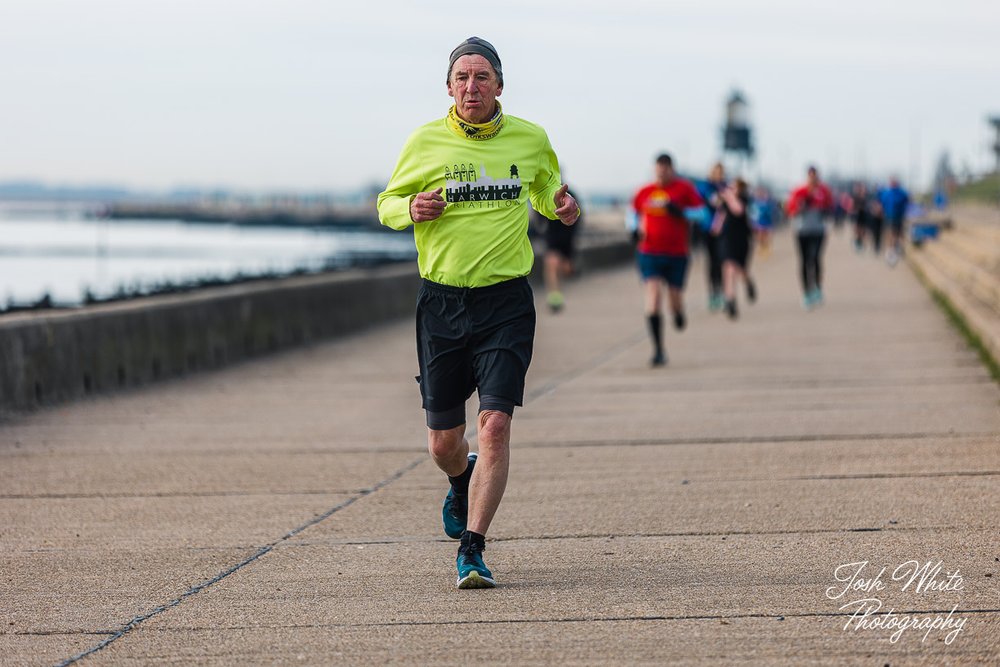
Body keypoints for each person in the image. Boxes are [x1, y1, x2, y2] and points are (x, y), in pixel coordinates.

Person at [376, 36, 579, 589]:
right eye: (462, 77)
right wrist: (409, 208)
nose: (471, 86)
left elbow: (543, 191)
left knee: (494, 426)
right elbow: (387, 204)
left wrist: (561, 205)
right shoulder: (424, 142)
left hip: (505, 302)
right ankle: (459, 478)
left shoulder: (531, 139)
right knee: (445, 442)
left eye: (482, 76)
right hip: (441, 303)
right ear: (448, 87)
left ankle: (473, 547)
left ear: (499, 85)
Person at [632, 153, 705, 366]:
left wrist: (681, 212)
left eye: (666, 170)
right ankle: (658, 350)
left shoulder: (684, 189)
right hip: (649, 252)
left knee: (674, 299)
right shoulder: (645, 192)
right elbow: (633, 213)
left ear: (672, 169)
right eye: (658, 171)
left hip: (677, 253)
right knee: (653, 298)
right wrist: (634, 230)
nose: (662, 175)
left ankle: (679, 313)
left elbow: (702, 214)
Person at [786, 166, 834, 309]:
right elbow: (790, 210)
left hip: (818, 230)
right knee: (804, 261)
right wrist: (801, 207)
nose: (813, 178)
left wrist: (822, 209)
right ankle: (806, 291)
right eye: (810, 176)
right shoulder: (799, 191)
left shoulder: (824, 191)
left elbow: (831, 207)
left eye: (815, 176)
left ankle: (817, 287)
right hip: (802, 231)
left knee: (816, 258)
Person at [532, 185, 582, 312]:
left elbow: (578, 216)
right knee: (551, 263)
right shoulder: (544, 193)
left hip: (567, 238)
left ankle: (558, 291)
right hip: (552, 237)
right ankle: (554, 296)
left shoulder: (571, 194)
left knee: (566, 268)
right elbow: (538, 214)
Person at [711, 178, 756, 319]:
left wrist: (729, 197)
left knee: (741, 269)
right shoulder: (724, 202)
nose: (730, 190)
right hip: (726, 240)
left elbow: (738, 210)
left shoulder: (744, 200)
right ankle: (730, 299)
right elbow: (719, 217)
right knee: (728, 268)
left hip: (741, 240)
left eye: (734, 188)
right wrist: (716, 226)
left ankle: (749, 282)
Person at [694, 163, 727, 311]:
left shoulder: (726, 187)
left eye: (721, 172)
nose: (719, 174)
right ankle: (712, 294)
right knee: (712, 262)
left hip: (723, 231)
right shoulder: (704, 187)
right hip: (708, 230)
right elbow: (700, 201)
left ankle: (721, 292)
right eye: (716, 171)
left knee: (722, 261)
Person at [879, 177, 909, 266]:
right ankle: (891, 251)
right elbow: (882, 204)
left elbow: (907, 201)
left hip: (898, 216)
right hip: (890, 216)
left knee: (898, 233)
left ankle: (896, 248)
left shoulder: (901, 193)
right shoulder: (887, 193)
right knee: (891, 233)